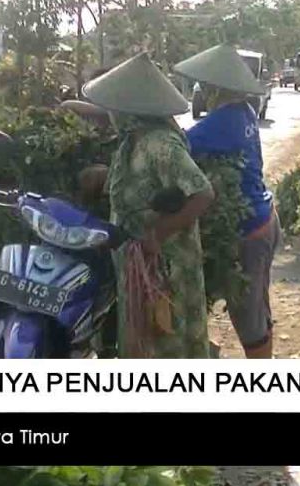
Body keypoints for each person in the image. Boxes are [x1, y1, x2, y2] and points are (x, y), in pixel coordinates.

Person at [80, 52, 215, 358]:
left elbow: (203, 193)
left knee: (167, 342)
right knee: (142, 339)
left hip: (166, 268)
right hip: (136, 264)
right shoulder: (132, 141)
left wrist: (157, 235)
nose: (110, 114)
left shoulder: (160, 144)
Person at [174, 43, 280, 359]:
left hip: (249, 229)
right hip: (264, 216)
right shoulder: (244, 110)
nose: (203, 92)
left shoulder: (223, 121)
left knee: (246, 314)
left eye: (206, 86)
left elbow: (179, 145)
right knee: (257, 306)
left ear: (217, 88)